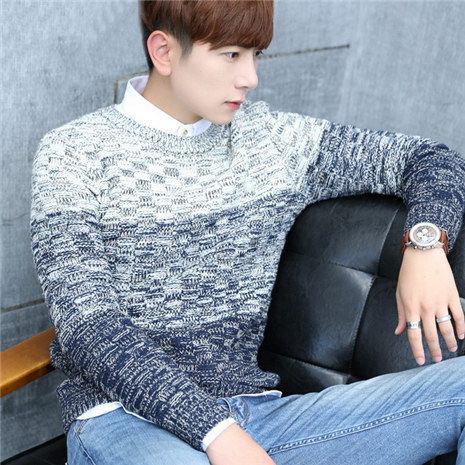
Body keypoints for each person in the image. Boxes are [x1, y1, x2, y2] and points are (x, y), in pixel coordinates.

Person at [29, 1, 465, 464]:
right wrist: (215, 432)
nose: (250, 77)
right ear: (164, 52)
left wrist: (424, 243)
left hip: (258, 420)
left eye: (255, 55)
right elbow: (89, 328)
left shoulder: (271, 140)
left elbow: (429, 159)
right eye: (231, 55)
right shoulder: (73, 153)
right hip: (125, 420)